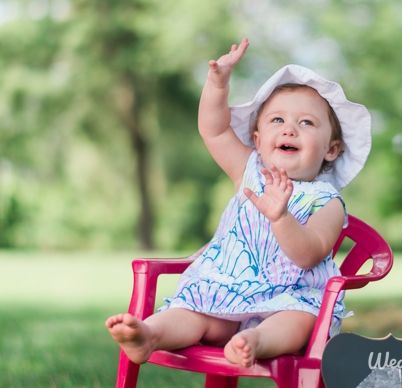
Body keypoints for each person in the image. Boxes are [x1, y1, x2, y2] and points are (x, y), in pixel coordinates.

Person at [106, 38, 371, 367]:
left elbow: (308, 255)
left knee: (300, 319)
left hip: (288, 299)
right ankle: (150, 334)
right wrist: (218, 83)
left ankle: (255, 341)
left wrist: (281, 217)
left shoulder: (327, 202)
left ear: (331, 149)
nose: (289, 129)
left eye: (306, 123)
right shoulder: (249, 171)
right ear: (258, 141)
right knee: (193, 314)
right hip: (225, 289)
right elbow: (214, 130)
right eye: (277, 120)